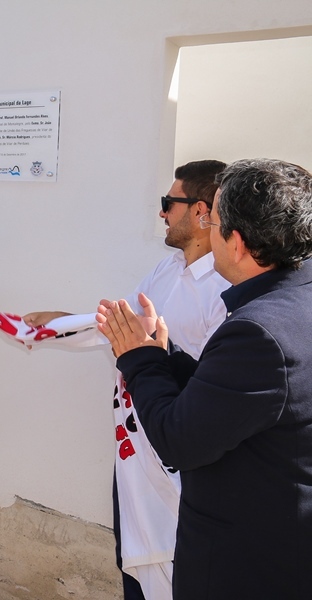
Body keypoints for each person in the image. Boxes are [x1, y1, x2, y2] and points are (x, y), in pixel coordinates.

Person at [96, 158, 312, 600]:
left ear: (235, 241)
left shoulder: (257, 330)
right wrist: (165, 355)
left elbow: (179, 440)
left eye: (213, 223)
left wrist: (139, 361)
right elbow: (237, 400)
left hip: (249, 560)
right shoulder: (294, 301)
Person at [20, 160, 228, 600]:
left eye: (169, 203)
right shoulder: (167, 270)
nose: (162, 213)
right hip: (136, 448)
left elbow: (212, 382)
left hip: (180, 455)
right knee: (134, 557)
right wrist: (60, 322)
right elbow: (123, 332)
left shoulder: (223, 289)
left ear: (202, 212)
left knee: (177, 563)